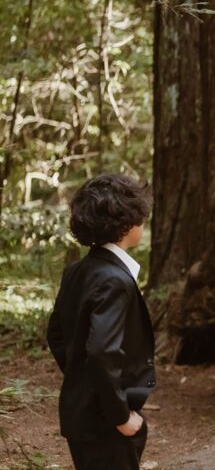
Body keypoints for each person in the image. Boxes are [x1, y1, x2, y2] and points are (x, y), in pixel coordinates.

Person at [47, 173, 155, 470]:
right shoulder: (114, 280)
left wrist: (82, 379)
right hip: (106, 421)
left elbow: (56, 334)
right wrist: (120, 416)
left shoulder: (77, 270)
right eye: (140, 216)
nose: (143, 221)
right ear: (124, 224)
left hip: (82, 415)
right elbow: (101, 351)